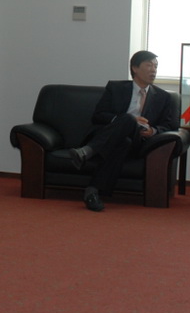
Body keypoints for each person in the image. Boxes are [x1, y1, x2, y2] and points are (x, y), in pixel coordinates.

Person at [69, 50, 176, 212]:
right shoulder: (116, 88)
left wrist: (153, 131)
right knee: (124, 137)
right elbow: (99, 115)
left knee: (129, 121)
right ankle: (92, 191)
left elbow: (169, 125)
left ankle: (87, 151)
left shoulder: (163, 97)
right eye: (149, 65)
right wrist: (126, 120)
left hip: (139, 141)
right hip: (116, 138)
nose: (153, 70)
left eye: (156, 66)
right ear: (135, 68)